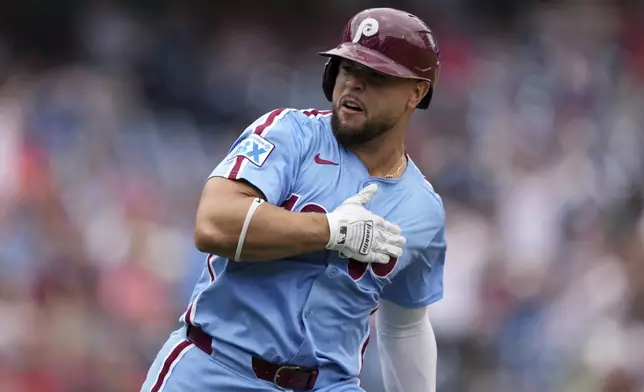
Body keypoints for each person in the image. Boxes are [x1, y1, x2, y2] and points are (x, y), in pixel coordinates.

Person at [141, 7, 446, 392]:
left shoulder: (423, 208)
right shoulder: (290, 134)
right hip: (217, 367)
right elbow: (213, 223)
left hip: (327, 384)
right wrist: (330, 230)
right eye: (348, 69)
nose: (353, 85)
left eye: (375, 77)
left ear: (416, 93)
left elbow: (405, 326)